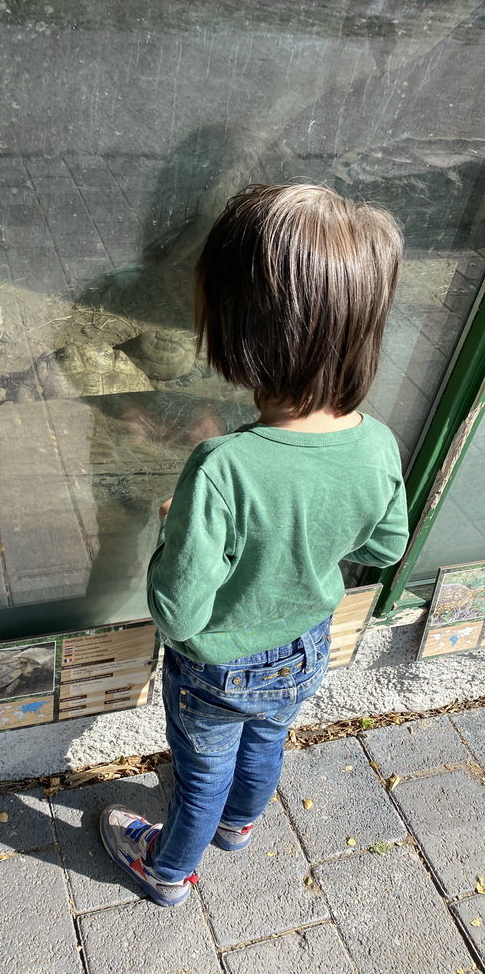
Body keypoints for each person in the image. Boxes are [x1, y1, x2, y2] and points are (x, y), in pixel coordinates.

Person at [98, 183, 410, 907]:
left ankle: (167, 869)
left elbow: (178, 615)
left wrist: (178, 528)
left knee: (199, 774)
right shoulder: (378, 445)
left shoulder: (223, 467)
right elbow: (388, 543)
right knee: (267, 741)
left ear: (242, 336)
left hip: (216, 670)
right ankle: (241, 826)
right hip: (304, 644)